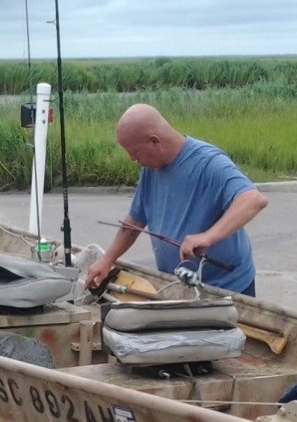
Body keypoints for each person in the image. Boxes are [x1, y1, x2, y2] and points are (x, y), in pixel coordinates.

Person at [83, 103, 268, 297]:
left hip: (225, 289)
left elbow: (253, 199)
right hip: (180, 286)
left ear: (155, 141)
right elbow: (134, 221)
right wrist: (107, 259)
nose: (132, 160)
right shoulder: (151, 169)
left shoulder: (209, 164)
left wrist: (208, 236)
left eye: (135, 153)